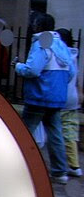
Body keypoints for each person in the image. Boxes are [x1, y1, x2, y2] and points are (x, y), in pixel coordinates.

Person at [14, 13, 75, 184]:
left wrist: (18, 66)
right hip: (56, 97)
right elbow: (70, 72)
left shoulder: (41, 43)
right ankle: (59, 172)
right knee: (55, 135)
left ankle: (17, 166)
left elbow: (33, 70)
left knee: (24, 132)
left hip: (39, 95)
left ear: (39, 26)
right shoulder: (61, 45)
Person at [57, 28, 82, 177]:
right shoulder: (74, 55)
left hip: (60, 99)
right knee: (70, 133)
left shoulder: (58, 54)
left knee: (55, 133)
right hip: (73, 99)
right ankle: (74, 165)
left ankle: (59, 167)